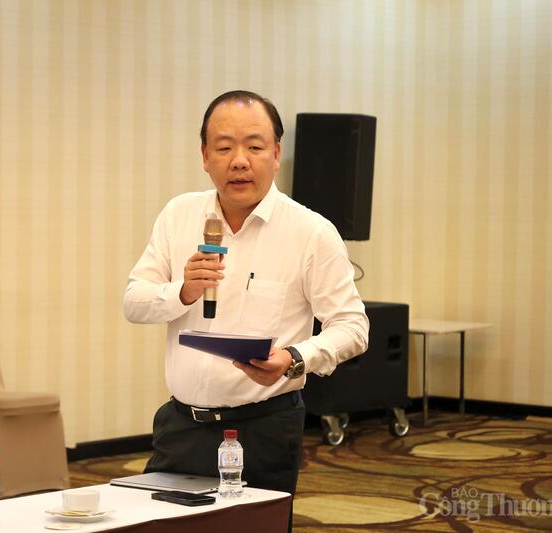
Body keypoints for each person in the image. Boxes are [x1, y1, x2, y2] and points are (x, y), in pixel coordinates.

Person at [123, 90, 369, 502]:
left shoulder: (310, 232)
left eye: (254, 147)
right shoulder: (178, 215)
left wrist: (293, 358)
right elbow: (134, 301)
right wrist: (183, 291)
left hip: (263, 430)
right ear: (205, 156)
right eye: (223, 148)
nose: (239, 161)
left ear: (276, 154)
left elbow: (353, 327)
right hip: (181, 426)